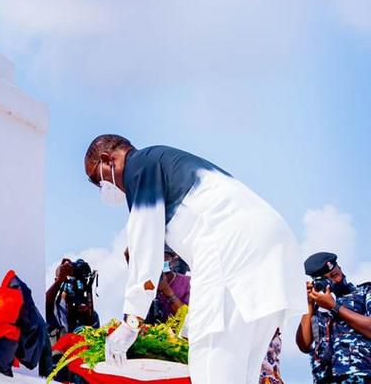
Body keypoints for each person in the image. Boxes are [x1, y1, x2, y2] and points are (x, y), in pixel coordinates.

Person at [83, 135, 306, 384]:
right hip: (274, 251)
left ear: (108, 160)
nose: (105, 190)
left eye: (98, 180)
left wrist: (131, 321)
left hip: (230, 248)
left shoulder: (140, 165)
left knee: (211, 362)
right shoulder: (168, 162)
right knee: (241, 372)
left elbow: (145, 246)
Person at [295, 251, 371, 383]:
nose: (334, 281)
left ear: (340, 269)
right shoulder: (316, 306)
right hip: (324, 378)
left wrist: (334, 307)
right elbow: (304, 345)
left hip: (361, 376)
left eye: (335, 275)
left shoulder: (364, 293)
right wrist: (309, 304)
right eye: (327, 279)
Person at [148, 248, 191, 324]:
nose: (159, 262)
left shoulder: (188, 283)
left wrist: (166, 289)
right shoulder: (147, 284)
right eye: (155, 259)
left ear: (173, 261)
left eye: (164, 258)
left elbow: (187, 318)